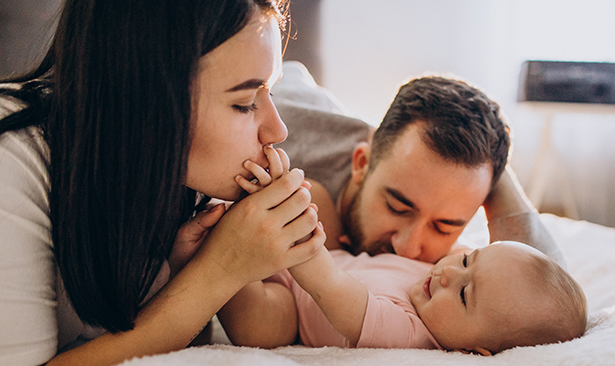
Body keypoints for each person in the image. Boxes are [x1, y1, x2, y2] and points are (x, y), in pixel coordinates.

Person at [0, 0, 324, 366]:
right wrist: (216, 272)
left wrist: (210, 270)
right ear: (148, 96)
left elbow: (260, 321)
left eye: (271, 92)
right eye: (245, 102)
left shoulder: (186, 178)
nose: (277, 130)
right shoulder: (14, 156)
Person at [218, 147, 587, 354]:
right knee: (312, 191)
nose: (448, 273)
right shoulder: (433, 278)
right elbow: (525, 272)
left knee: (258, 326)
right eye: (465, 260)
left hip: (296, 306)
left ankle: (216, 240)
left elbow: (330, 287)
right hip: (326, 257)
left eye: (463, 294)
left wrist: (289, 215)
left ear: (474, 352)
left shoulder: (408, 333)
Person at [273, 63, 567, 266]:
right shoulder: (275, 151)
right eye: (397, 208)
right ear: (361, 164)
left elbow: (548, 296)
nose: (408, 249)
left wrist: (491, 169)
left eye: (443, 227)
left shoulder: (419, 173)